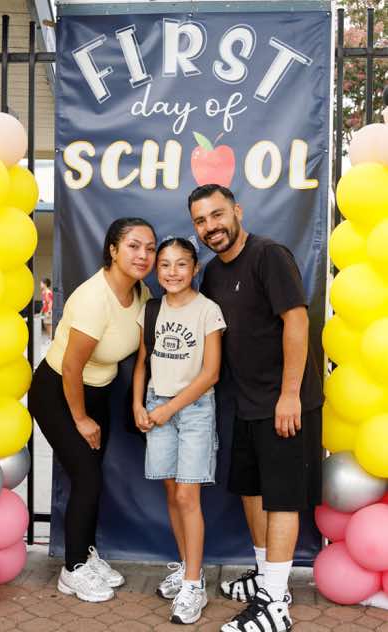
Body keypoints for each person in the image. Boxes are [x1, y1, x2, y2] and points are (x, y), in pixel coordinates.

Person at [188, 184, 323, 632]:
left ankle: (275, 605)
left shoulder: (269, 256)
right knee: (252, 491)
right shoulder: (212, 273)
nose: (210, 227)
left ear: (237, 211)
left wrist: (290, 394)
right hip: (246, 404)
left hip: (284, 403)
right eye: (201, 221)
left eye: (217, 215)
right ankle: (267, 578)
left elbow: (297, 322)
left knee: (281, 498)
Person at [29, 217, 157, 603]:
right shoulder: (93, 298)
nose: (144, 255)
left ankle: (84, 555)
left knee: (92, 477)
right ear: (113, 250)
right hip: (58, 391)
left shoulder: (141, 292)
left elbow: (142, 352)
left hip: (98, 392)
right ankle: (72, 571)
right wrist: (81, 419)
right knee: (87, 479)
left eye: (150, 248)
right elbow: (71, 367)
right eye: (133, 246)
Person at [133, 237, 226, 624]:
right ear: (157, 270)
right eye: (165, 265)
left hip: (193, 410)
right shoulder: (152, 309)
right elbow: (143, 362)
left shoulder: (208, 310)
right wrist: (138, 405)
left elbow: (211, 373)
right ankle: (191, 568)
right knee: (172, 493)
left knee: (188, 495)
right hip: (156, 404)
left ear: (195, 268)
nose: (173, 272)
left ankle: (192, 586)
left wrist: (169, 409)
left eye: (181, 264)